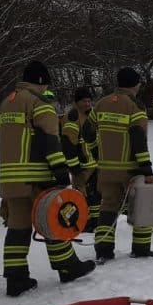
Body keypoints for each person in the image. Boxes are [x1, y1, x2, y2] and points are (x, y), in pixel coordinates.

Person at [0, 61, 95, 297]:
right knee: (54, 219)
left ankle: (16, 278)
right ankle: (67, 266)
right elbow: (50, 141)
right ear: (41, 82)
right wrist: (60, 172)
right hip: (37, 176)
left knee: (18, 227)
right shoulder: (40, 104)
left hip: (10, 178)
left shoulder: (5, 104)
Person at [88, 67, 153, 261]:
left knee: (108, 207)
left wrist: (97, 153)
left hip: (105, 169)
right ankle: (141, 249)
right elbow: (139, 141)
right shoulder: (135, 106)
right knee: (142, 205)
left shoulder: (101, 103)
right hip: (129, 169)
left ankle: (103, 250)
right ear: (135, 84)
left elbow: (87, 132)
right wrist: (146, 170)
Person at [63, 87, 100, 232]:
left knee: (95, 195)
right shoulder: (73, 117)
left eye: (89, 101)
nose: (88, 104)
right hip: (82, 166)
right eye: (84, 101)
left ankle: (94, 222)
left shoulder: (90, 115)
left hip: (93, 163)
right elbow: (68, 144)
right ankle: (83, 221)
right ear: (76, 102)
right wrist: (75, 168)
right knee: (82, 195)